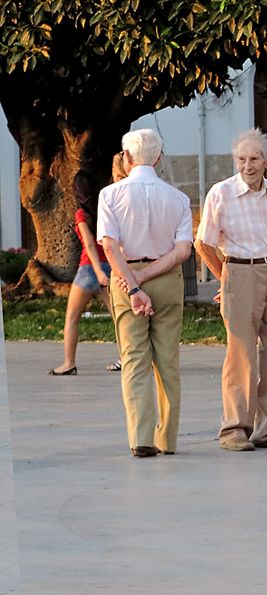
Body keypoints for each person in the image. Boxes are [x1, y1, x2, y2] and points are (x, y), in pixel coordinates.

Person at [194, 128, 267, 452]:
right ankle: (234, 429)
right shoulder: (221, 193)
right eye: (242, 158)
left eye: (254, 158)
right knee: (241, 354)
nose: (247, 165)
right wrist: (224, 276)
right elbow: (203, 243)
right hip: (239, 271)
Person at [100, 129, 192, 458]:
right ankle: (167, 438)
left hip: (126, 280)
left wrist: (134, 283)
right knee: (167, 360)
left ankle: (141, 438)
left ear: (126, 157)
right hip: (166, 278)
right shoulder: (179, 199)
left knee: (135, 359)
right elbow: (183, 250)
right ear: (158, 158)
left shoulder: (110, 196)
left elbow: (109, 246)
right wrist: (150, 274)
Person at [48, 170, 118, 375]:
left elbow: (88, 243)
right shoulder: (106, 210)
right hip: (111, 266)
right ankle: (129, 357)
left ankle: (68, 363)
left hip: (89, 269)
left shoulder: (81, 214)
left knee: (72, 317)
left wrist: (97, 271)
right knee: (119, 317)